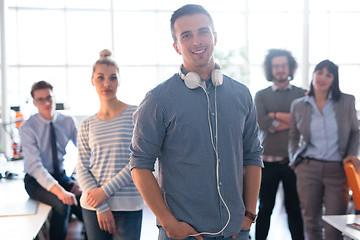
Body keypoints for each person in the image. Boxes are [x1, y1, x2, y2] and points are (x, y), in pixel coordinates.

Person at [129, 4, 263, 240]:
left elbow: (252, 156)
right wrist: (170, 224)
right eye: (186, 35)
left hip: (236, 232)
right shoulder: (157, 100)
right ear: (176, 46)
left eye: (203, 31)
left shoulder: (242, 95)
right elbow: (139, 166)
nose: (197, 41)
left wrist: (249, 215)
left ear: (215, 37)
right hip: (183, 234)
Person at [76, 49, 144, 240]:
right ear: (92, 81)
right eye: (100, 78)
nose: (106, 83)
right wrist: (101, 205)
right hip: (93, 207)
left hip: (128, 204)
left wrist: (104, 192)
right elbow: (81, 168)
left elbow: (138, 161)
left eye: (112, 78)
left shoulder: (136, 114)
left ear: (119, 81)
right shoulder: (87, 124)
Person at [289, 60, 360, 240]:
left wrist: (352, 153)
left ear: (334, 80)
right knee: (311, 222)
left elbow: (355, 131)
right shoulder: (298, 104)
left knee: (334, 225)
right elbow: (293, 136)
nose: (323, 77)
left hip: (337, 169)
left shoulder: (346, 101)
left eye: (329, 75)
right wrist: (294, 161)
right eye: (320, 72)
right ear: (313, 74)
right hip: (308, 168)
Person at [20, 80, 84, 240]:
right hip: (35, 180)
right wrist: (59, 191)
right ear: (34, 103)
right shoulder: (28, 128)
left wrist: (80, 180)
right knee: (61, 205)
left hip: (61, 176)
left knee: (86, 204)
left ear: (54, 98)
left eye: (49, 97)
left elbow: (85, 152)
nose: (46, 102)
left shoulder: (67, 122)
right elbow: (35, 167)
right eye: (40, 99)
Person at [254, 49, 305, 240]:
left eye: (284, 65)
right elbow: (263, 123)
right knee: (265, 208)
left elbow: (304, 121)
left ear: (290, 67)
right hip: (268, 163)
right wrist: (294, 119)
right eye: (276, 66)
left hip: (294, 162)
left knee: (294, 209)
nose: (280, 70)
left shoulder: (302, 93)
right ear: (271, 69)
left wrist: (274, 114)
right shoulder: (261, 95)